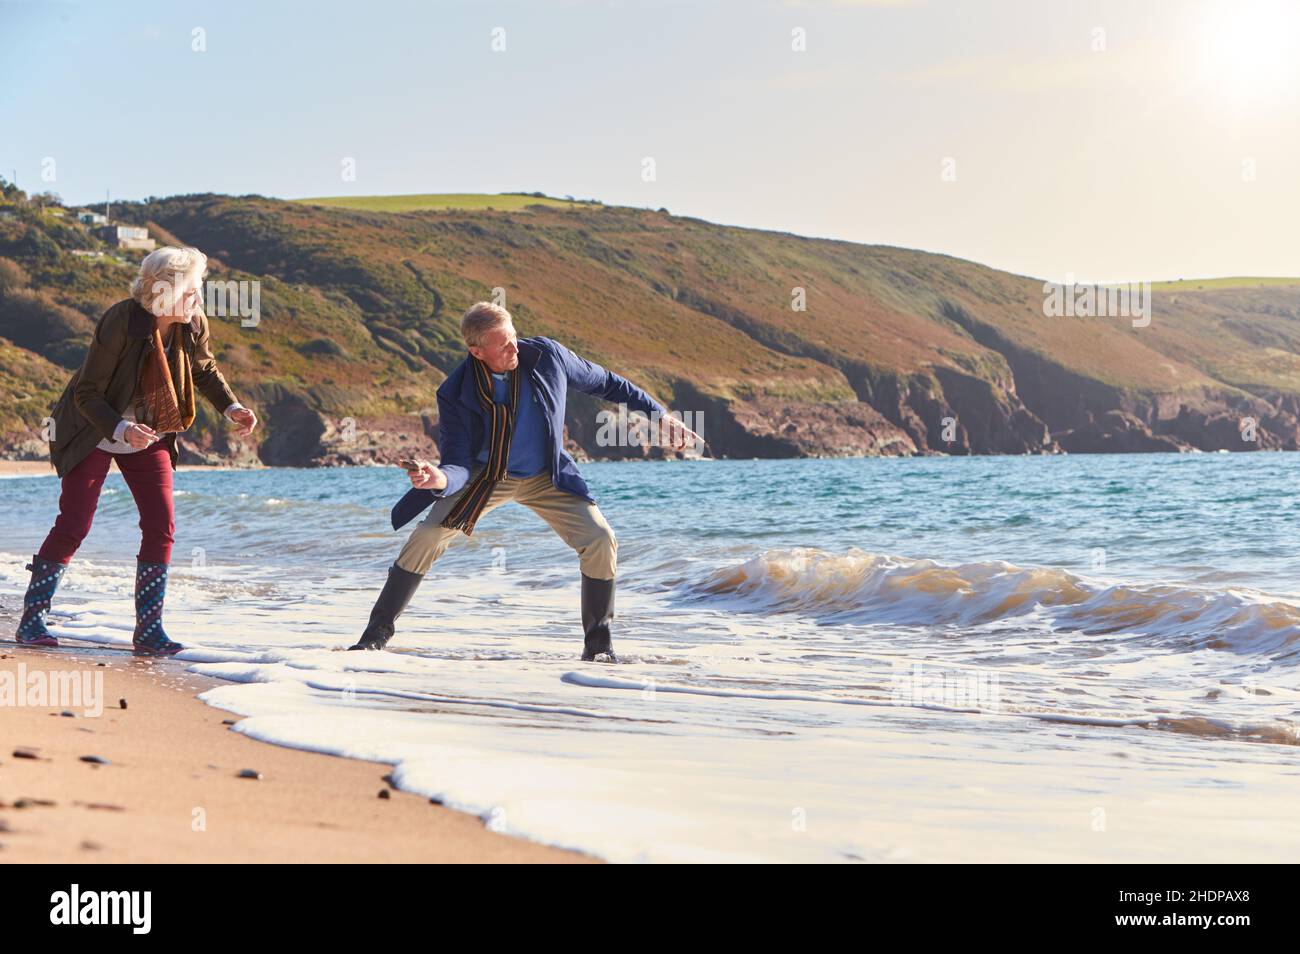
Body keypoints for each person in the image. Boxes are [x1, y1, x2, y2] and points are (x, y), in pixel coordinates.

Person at [350, 301, 701, 660]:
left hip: (547, 476)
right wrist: (439, 478)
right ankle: (376, 634)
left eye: (514, 337)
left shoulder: (549, 357)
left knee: (600, 539)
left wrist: (660, 416)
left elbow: (609, 384)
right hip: (487, 478)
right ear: (477, 351)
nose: (514, 348)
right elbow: (457, 462)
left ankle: (598, 645)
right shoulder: (455, 392)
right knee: (426, 536)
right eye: (503, 345)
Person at [14, 246, 257, 655]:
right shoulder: (121, 320)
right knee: (75, 523)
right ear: (164, 292)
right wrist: (123, 429)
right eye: (192, 291)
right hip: (94, 427)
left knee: (161, 526)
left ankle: (148, 631)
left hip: (151, 430)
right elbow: (87, 394)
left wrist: (231, 406)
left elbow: (203, 368)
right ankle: (32, 619)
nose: (198, 300)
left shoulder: (192, 321)